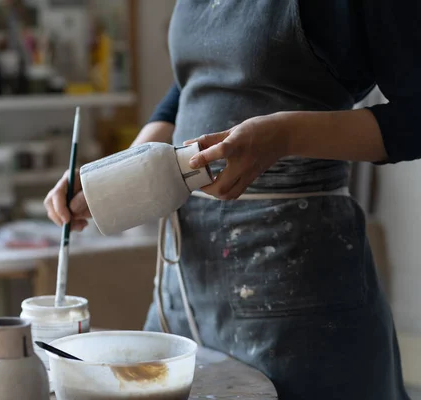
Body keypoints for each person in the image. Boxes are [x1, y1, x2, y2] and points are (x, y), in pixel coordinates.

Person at [45, 1, 418, 398]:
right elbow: (193, 83)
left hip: (298, 291)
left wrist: (286, 134)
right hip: (186, 281)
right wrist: (113, 173)